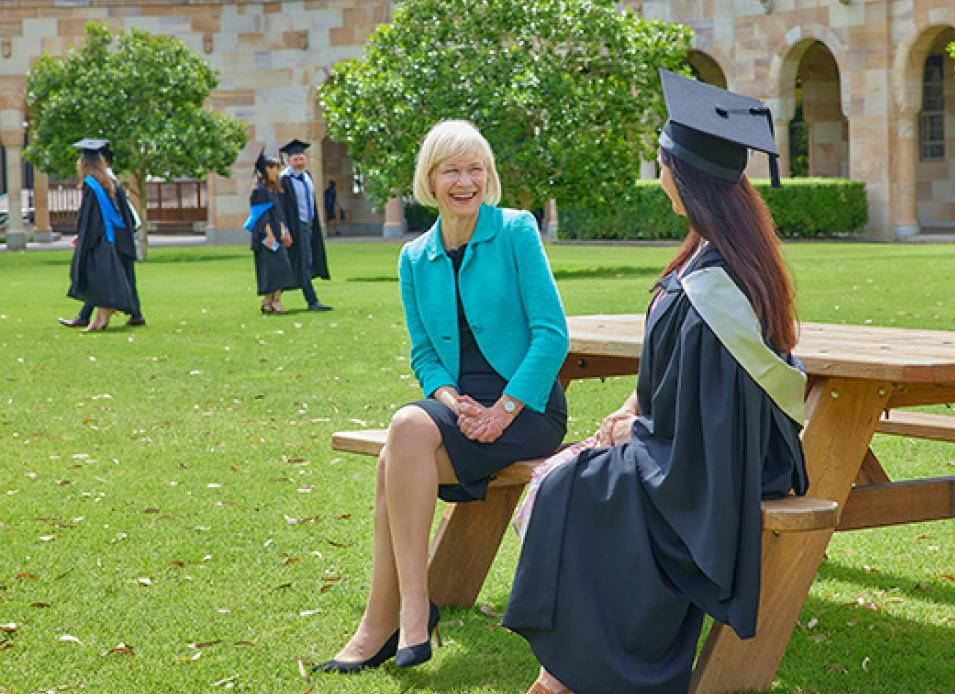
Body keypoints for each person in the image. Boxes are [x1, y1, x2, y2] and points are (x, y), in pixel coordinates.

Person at [503, 70, 810, 694]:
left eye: (662, 161)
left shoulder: (713, 282)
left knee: (572, 490)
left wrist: (637, 434)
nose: (659, 173)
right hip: (708, 449)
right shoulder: (724, 256)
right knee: (570, 481)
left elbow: (706, 411)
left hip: (713, 465)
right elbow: (682, 387)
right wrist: (634, 414)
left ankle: (566, 678)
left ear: (683, 178)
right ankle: (565, 675)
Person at [313, 119, 569, 674]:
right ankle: (400, 615)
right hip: (457, 410)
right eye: (452, 169)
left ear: (489, 176)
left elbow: (552, 334)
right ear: (430, 179)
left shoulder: (516, 231)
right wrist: (454, 404)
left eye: (476, 169)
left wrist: (502, 411)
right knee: (404, 438)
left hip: (527, 409)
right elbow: (426, 355)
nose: (465, 181)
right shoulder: (414, 257)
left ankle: (396, 617)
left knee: (399, 443)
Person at [59, 142, 145, 328]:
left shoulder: (92, 185)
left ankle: (98, 317)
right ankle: (102, 317)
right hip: (116, 236)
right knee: (112, 276)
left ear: (83, 164)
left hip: (102, 238)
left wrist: (84, 237)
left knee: (96, 275)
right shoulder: (107, 182)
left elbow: (90, 216)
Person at [278, 139, 332, 311]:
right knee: (299, 262)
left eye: (301, 158)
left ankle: (273, 298)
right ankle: (311, 300)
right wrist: (284, 229)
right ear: (288, 160)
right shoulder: (284, 180)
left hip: (308, 225)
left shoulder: (307, 177)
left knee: (305, 261)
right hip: (294, 227)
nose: (299, 161)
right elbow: (281, 208)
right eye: (295, 159)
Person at [246, 150, 295, 313]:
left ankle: (268, 302)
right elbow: (262, 216)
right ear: (266, 169)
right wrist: (269, 235)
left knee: (276, 267)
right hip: (265, 236)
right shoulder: (259, 191)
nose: (277, 170)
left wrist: (284, 231)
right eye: (273, 166)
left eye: (277, 166)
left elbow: (279, 214)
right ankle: (275, 301)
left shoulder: (273, 190)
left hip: (275, 233)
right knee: (276, 267)